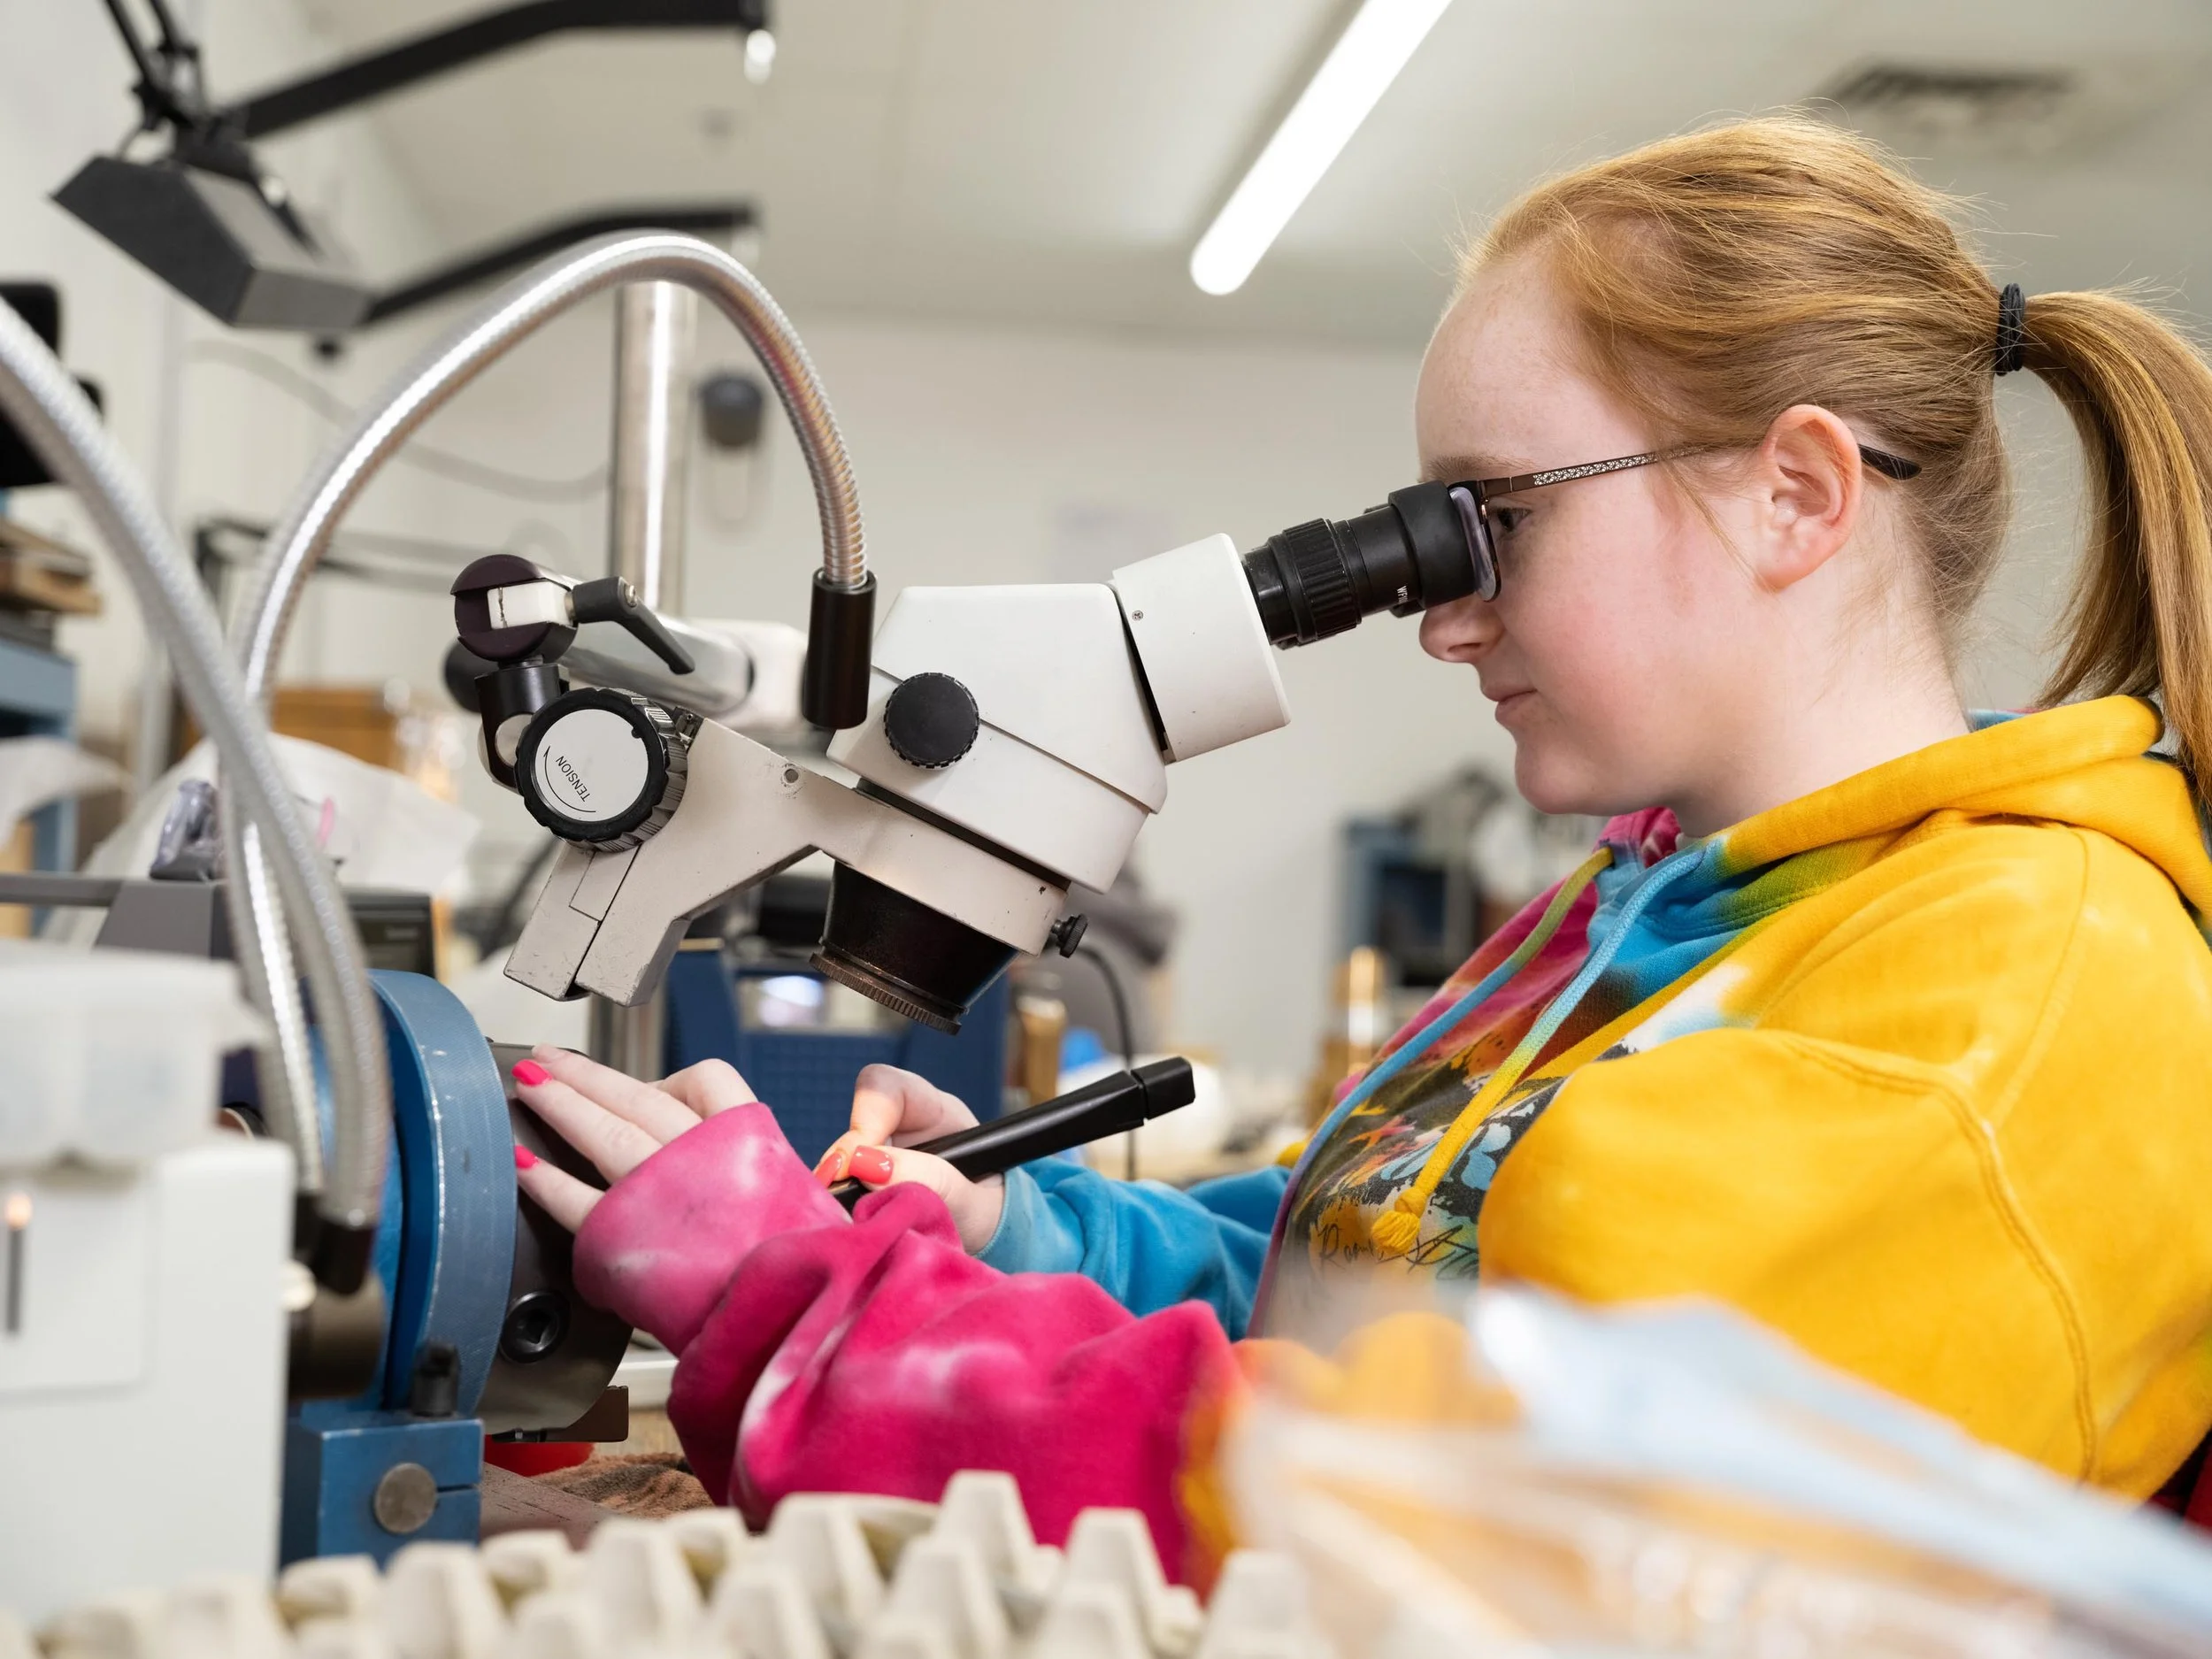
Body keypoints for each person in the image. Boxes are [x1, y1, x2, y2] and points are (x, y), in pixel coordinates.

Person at [510, 115, 2212, 1576]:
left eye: (1496, 522)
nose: (1442, 617)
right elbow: (1380, 1288)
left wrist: (805, 1311)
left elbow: (1455, 1523)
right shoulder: (1657, 901)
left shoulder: (2009, 1000)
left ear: (1798, 494)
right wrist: (1026, 1234)